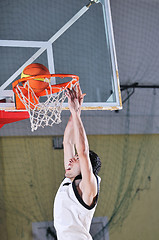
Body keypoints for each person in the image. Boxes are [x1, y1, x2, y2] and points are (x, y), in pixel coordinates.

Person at [53, 84, 101, 240]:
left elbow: (83, 151)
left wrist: (76, 114)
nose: (72, 158)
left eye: (77, 159)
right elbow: (68, 142)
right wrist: (75, 112)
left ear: (87, 167)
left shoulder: (89, 187)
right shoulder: (70, 181)